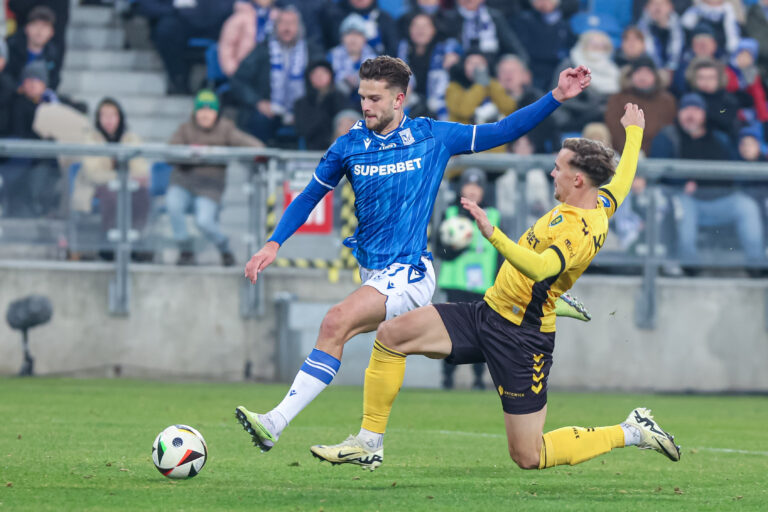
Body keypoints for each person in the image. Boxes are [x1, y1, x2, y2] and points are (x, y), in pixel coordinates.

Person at [235, 55, 593, 452]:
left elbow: (504, 129)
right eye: (362, 97)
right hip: (373, 273)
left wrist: (557, 96)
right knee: (351, 334)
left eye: (374, 98)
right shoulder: (349, 145)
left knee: (335, 320)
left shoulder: (432, 136)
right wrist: (273, 242)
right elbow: (310, 195)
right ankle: (540, 302)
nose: (365, 105)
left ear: (398, 100)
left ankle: (275, 422)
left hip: (411, 271)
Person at [309, 104, 682, 472]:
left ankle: (631, 431)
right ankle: (368, 442)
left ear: (577, 180)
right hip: (488, 311)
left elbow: (541, 267)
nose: (552, 172)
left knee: (528, 455)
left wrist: (493, 234)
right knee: (391, 335)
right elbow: (624, 178)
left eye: (559, 167)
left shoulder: (577, 230)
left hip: (522, 337)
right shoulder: (600, 200)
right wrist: (634, 133)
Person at [649, 93, 764, 269]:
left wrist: (755, 157)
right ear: (679, 113)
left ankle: (757, 264)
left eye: (696, 109)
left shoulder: (719, 138)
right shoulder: (668, 136)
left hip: (721, 200)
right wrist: (682, 183)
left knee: (746, 206)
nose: (690, 114)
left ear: (704, 114)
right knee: (683, 209)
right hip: (687, 200)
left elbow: (736, 169)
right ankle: (690, 265)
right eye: (686, 109)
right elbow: (657, 168)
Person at [167, 89, 264, 266]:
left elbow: (246, 142)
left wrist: (261, 151)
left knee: (204, 221)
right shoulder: (185, 129)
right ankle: (185, 248)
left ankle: (224, 246)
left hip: (210, 186)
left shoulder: (225, 129)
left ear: (216, 113)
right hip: (183, 181)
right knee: (173, 205)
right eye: (201, 110)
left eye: (210, 110)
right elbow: (169, 152)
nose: (205, 115)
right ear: (195, 112)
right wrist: (187, 155)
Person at [434, 168, 498, 390]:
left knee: (481, 334)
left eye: (477, 186)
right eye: (468, 186)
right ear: (461, 189)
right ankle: (447, 377)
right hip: (455, 283)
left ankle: (478, 379)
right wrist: (455, 248)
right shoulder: (450, 214)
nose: (472, 191)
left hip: (483, 286)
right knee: (450, 333)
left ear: (483, 191)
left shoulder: (494, 216)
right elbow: (438, 250)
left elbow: (500, 254)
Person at [230, 6, 322, 145]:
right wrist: (257, 102)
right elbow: (238, 81)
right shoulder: (262, 50)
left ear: (299, 27)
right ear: (275, 26)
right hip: (269, 109)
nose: (287, 28)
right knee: (257, 120)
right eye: (282, 23)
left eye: (291, 23)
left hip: (302, 110)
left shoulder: (311, 51)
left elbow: (324, 81)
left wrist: (304, 108)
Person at [72, 98, 151, 251]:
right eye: (104, 115)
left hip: (128, 186)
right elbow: (93, 174)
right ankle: (108, 244)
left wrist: (128, 178)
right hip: (95, 188)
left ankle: (136, 242)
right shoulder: (91, 139)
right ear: (98, 118)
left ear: (119, 117)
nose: (108, 120)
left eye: (112, 115)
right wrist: (120, 177)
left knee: (142, 195)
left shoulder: (131, 139)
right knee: (111, 195)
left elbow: (141, 170)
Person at [604, 56, 677, 154]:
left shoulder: (667, 101)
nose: (643, 77)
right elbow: (614, 130)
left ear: (655, 76)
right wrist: (631, 152)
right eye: (638, 72)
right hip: (624, 155)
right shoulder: (617, 99)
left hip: (658, 158)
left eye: (647, 73)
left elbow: (668, 132)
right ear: (631, 76)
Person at [509, 0, 574, 92]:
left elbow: (570, 45)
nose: (544, 2)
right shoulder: (523, 20)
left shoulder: (563, 23)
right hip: (533, 68)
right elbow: (520, 48)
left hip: (555, 69)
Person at [293, 60, 351, 151]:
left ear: (331, 76)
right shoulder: (301, 103)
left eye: (323, 73)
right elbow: (303, 130)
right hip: (312, 148)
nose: (319, 77)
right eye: (315, 74)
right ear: (309, 78)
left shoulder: (339, 98)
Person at [4, 6, 61, 91]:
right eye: (35, 25)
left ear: (51, 32)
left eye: (45, 26)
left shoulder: (52, 54)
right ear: (26, 28)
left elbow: (54, 79)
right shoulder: (11, 49)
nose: (39, 31)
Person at [328, 14, 378, 105]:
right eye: (349, 34)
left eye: (358, 34)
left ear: (364, 39)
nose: (353, 39)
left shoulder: (375, 60)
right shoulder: (331, 57)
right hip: (337, 104)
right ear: (342, 38)